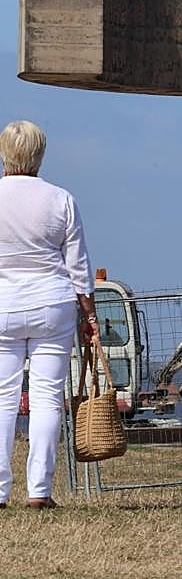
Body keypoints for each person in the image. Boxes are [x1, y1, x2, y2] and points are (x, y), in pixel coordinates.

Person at [0, 120, 99, 509]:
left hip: (4, 304)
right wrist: (89, 314)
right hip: (51, 304)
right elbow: (79, 265)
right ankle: (39, 490)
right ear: (40, 155)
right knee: (46, 397)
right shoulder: (60, 199)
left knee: (3, 398)